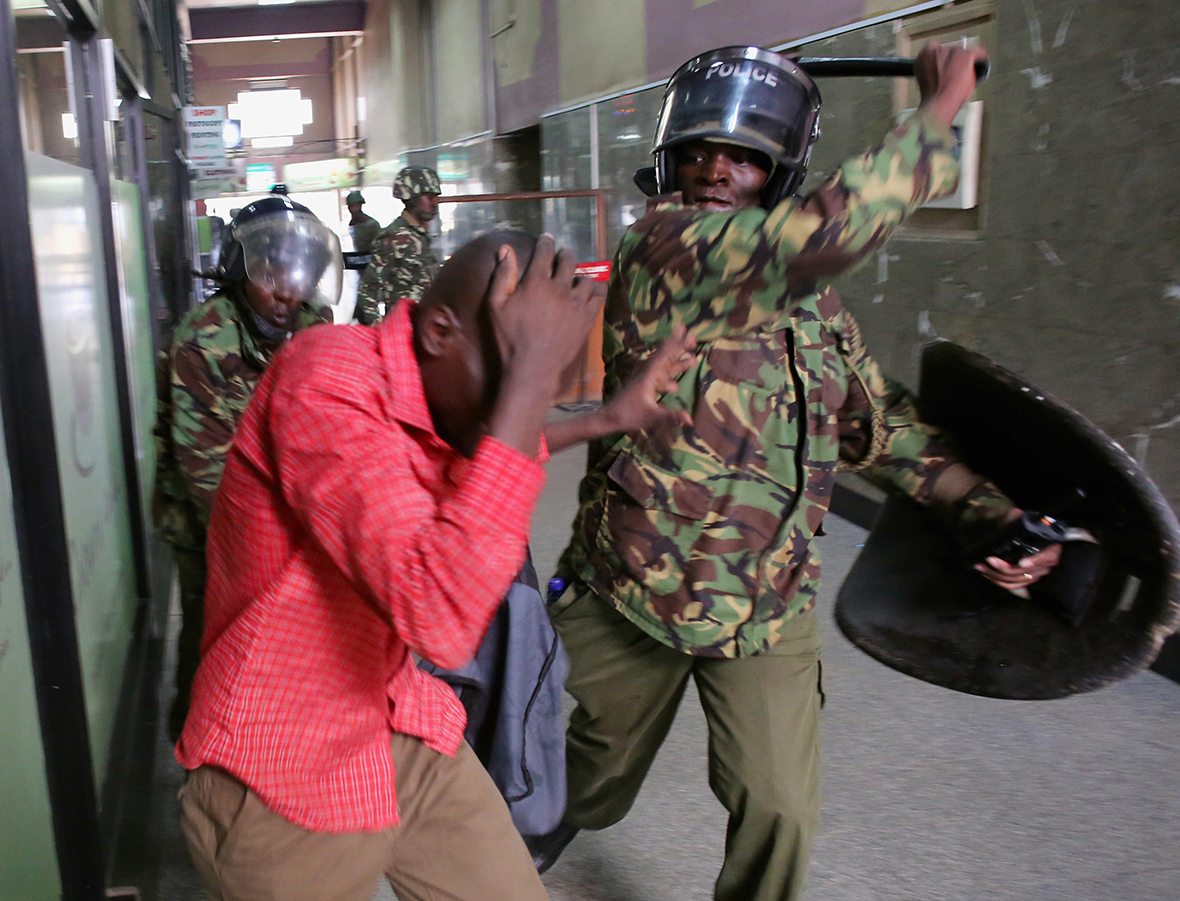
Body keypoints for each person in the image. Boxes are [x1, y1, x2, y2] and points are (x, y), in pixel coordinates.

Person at [535, 42, 1060, 900]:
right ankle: (533, 828)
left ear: (773, 173)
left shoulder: (809, 304)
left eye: (742, 156)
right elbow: (824, 234)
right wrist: (939, 111)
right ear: (671, 163)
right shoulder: (665, 247)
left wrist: (990, 513)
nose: (715, 169)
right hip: (638, 583)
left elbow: (877, 424)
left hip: (767, 595)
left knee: (779, 810)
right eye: (700, 151)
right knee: (593, 776)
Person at [175, 230, 695, 901]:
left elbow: (478, 441)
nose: (526, 403)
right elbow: (440, 615)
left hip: (401, 722)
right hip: (280, 773)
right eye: (516, 376)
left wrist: (605, 417)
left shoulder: (440, 395)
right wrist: (532, 373)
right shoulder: (327, 375)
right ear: (438, 332)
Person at [153, 196, 340, 742]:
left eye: (300, 274)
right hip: (207, 528)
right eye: (270, 272)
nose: (286, 291)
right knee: (213, 639)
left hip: (289, 517)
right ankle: (195, 746)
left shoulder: (312, 323)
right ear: (240, 270)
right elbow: (207, 476)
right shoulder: (202, 341)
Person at [355, 165, 442, 325]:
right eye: (429, 196)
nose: (435, 201)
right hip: (403, 330)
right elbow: (367, 290)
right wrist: (378, 330)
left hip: (426, 328)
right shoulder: (393, 237)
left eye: (436, 196)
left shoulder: (421, 236)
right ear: (411, 198)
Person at [346, 189, 381, 253]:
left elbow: (379, 246)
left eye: (356, 206)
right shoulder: (352, 223)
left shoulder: (372, 224)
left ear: (360, 206)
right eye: (350, 206)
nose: (352, 209)